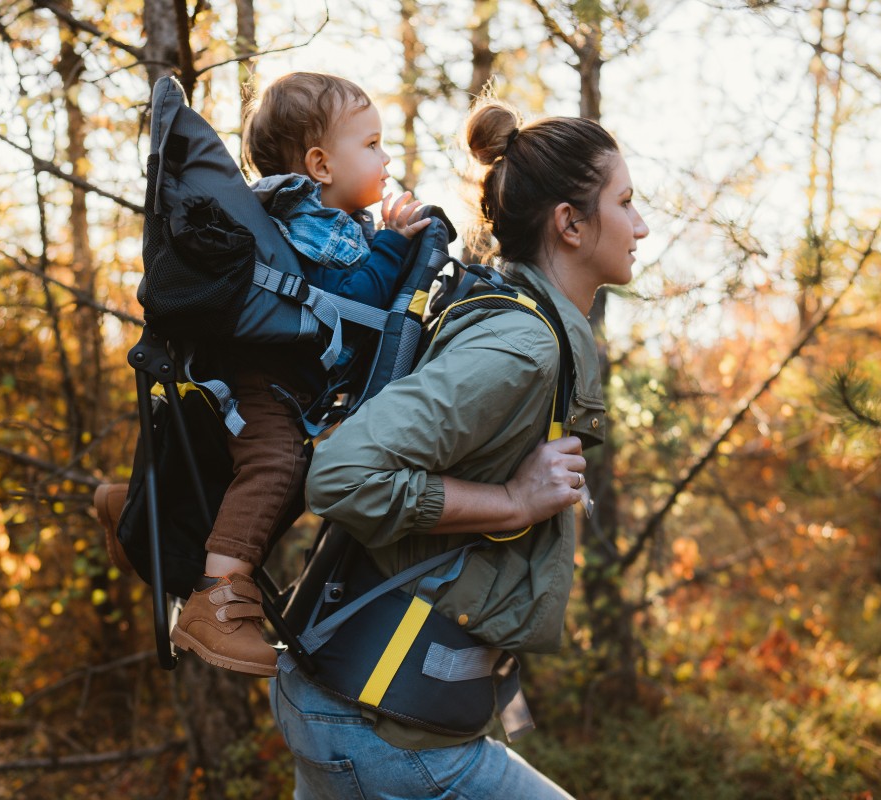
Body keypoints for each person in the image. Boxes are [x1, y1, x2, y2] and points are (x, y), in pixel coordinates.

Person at [269, 93, 649, 799]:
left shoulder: (526, 323)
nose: (642, 225)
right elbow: (342, 474)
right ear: (569, 223)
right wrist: (510, 501)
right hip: (382, 731)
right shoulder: (521, 345)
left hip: (353, 703)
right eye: (625, 203)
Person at [154, 72, 436, 677]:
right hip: (260, 386)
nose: (386, 158)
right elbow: (342, 299)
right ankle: (216, 604)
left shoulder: (325, 219)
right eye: (372, 144)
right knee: (277, 467)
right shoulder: (312, 220)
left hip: (267, 385)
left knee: (288, 474)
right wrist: (392, 245)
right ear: (321, 164)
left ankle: (136, 508)